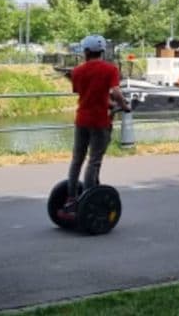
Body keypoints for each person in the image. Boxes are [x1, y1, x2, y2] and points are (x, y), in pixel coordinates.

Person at [57, 34, 129, 220]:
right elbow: (115, 91)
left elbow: (87, 94)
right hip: (99, 121)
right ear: (102, 51)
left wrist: (110, 104)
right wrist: (124, 105)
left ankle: (72, 198)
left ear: (86, 51)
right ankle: (89, 196)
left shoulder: (77, 71)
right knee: (94, 160)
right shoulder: (110, 69)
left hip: (82, 119)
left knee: (77, 160)